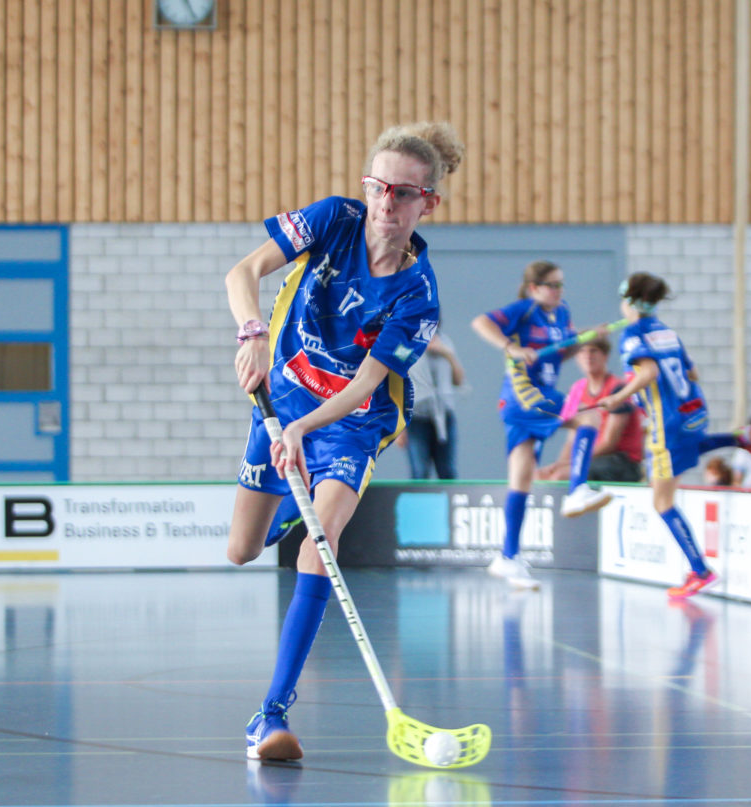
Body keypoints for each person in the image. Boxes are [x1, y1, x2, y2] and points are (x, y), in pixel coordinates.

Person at [224, 121, 463, 762]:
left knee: (319, 548)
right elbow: (243, 270)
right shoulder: (331, 220)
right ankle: (284, 516)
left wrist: (305, 429)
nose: (387, 202)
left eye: (405, 193)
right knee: (241, 550)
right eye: (378, 187)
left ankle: (269, 716)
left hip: (351, 422)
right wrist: (252, 333)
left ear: (428, 203)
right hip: (280, 401)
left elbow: (364, 387)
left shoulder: (418, 295)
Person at [596, 273, 751, 599]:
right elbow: (692, 372)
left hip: (666, 425)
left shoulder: (632, 334)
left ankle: (700, 571)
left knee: (661, 501)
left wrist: (619, 396)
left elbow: (649, 372)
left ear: (628, 301)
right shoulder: (666, 331)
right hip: (693, 413)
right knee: (689, 448)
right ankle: (737, 439)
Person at [472, 261, 589, 590]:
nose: (558, 291)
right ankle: (577, 489)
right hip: (525, 396)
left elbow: (558, 354)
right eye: (552, 285)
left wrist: (582, 341)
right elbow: (480, 323)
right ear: (534, 288)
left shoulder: (562, 314)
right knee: (589, 416)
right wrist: (511, 347)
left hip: (537, 396)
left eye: (561, 285)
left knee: (521, 479)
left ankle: (508, 557)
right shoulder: (524, 310)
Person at [536, 337, 645, 485]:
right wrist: (558, 464)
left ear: (605, 356)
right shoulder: (577, 389)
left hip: (620, 461)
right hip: (588, 458)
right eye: (582, 351)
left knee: (561, 476)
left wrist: (569, 464)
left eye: (594, 351)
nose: (588, 356)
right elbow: (571, 439)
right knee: (542, 477)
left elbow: (609, 442)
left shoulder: (617, 389)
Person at [401, 330, 465, 479]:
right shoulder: (403, 343)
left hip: (444, 415)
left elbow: (458, 380)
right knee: (420, 471)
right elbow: (397, 374)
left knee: (447, 470)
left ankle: (449, 502)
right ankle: (418, 503)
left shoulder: (444, 341)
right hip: (415, 416)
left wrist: (446, 353)